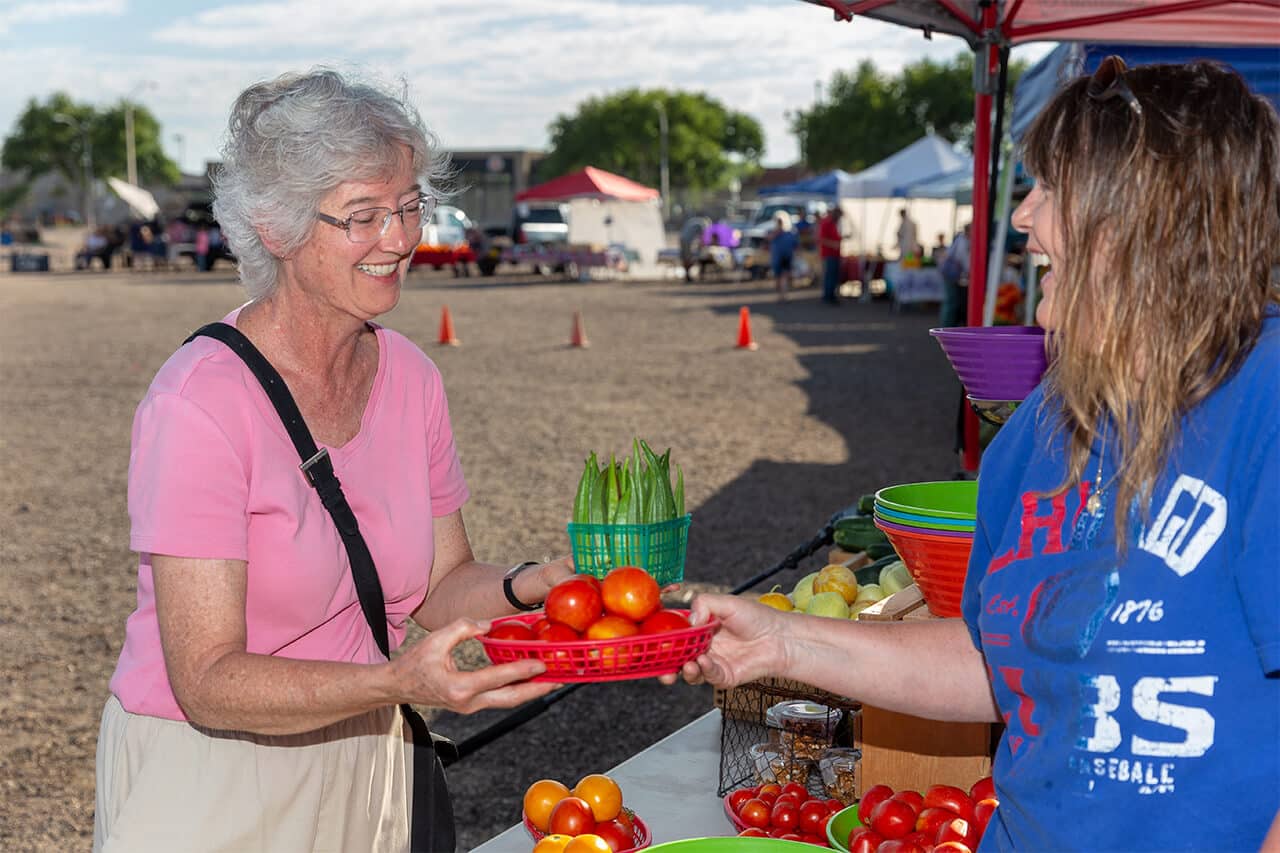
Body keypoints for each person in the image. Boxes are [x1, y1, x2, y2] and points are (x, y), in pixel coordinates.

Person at [670, 59, 1280, 851]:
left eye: (1054, 187)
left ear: (1151, 215)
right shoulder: (1037, 430)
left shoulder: (1264, 399)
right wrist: (783, 643)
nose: (1024, 217)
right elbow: (992, 660)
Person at [94, 69, 576, 852]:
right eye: (364, 215)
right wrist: (396, 681)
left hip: (366, 765)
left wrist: (532, 588)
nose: (401, 237)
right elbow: (207, 678)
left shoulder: (413, 377)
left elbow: (439, 585)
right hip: (213, 781)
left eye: (409, 204)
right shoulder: (197, 403)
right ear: (276, 228)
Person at [940, 222, 971, 327]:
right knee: (951, 302)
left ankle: (948, 324)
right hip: (952, 275)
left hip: (950, 274)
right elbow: (963, 259)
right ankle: (947, 325)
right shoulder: (963, 242)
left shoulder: (960, 240)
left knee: (951, 301)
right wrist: (969, 272)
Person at [768, 211, 799, 301]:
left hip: (787, 256)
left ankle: (784, 294)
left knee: (785, 276)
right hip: (777, 257)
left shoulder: (790, 232)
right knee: (778, 276)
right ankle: (781, 294)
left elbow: (795, 244)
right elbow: (769, 239)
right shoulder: (774, 231)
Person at [817, 206, 844, 305]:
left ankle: (831, 295)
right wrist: (833, 244)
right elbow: (821, 239)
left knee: (833, 276)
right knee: (829, 276)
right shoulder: (826, 223)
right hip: (828, 254)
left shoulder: (833, 223)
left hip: (834, 254)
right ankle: (827, 296)